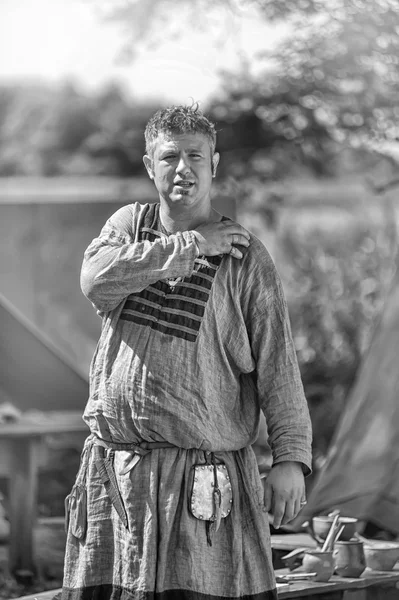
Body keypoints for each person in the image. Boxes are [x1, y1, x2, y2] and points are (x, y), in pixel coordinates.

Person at [59, 104, 312, 600]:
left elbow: (279, 364)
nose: (183, 168)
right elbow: (96, 280)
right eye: (169, 156)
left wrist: (290, 458)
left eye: (195, 156)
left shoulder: (245, 255)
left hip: (202, 483)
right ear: (150, 165)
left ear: (214, 164)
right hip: (117, 480)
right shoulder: (130, 226)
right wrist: (191, 246)